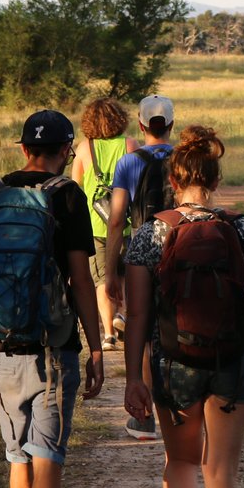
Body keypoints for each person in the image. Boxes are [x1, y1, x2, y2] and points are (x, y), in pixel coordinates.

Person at [121, 125, 244, 488]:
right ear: (215, 180)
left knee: (180, 462)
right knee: (221, 470)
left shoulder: (150, 234)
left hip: (174, 362)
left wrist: (134, 378)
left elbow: (138, 314)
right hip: (235, 359)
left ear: (173, 181)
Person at [0, 109, 105, 488]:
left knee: (17, 460)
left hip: (0, 347)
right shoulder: (68, 197)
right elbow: (82, 280)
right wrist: (96, 350)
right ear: (65, 151)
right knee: (48, 462)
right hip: (54, 350)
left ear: (23, 149)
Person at [103, 93, 176, 439]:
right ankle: (182, 402)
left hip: (141, 254)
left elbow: (116, 221)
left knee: (142, 329)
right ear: (171, 125)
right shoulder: (184, 159)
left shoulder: (128, 163)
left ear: (141, 124)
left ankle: (144, 417)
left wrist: (110, 271)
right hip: (182, 250)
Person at [69, 96, 138, 351]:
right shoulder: (130, 145)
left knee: (101, 278)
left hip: (94, 226)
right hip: (127, 221)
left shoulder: (84, 148)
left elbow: (74, 189)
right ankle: (124, 314)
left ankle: (108, 333)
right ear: (119, 118)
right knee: (126, 274)